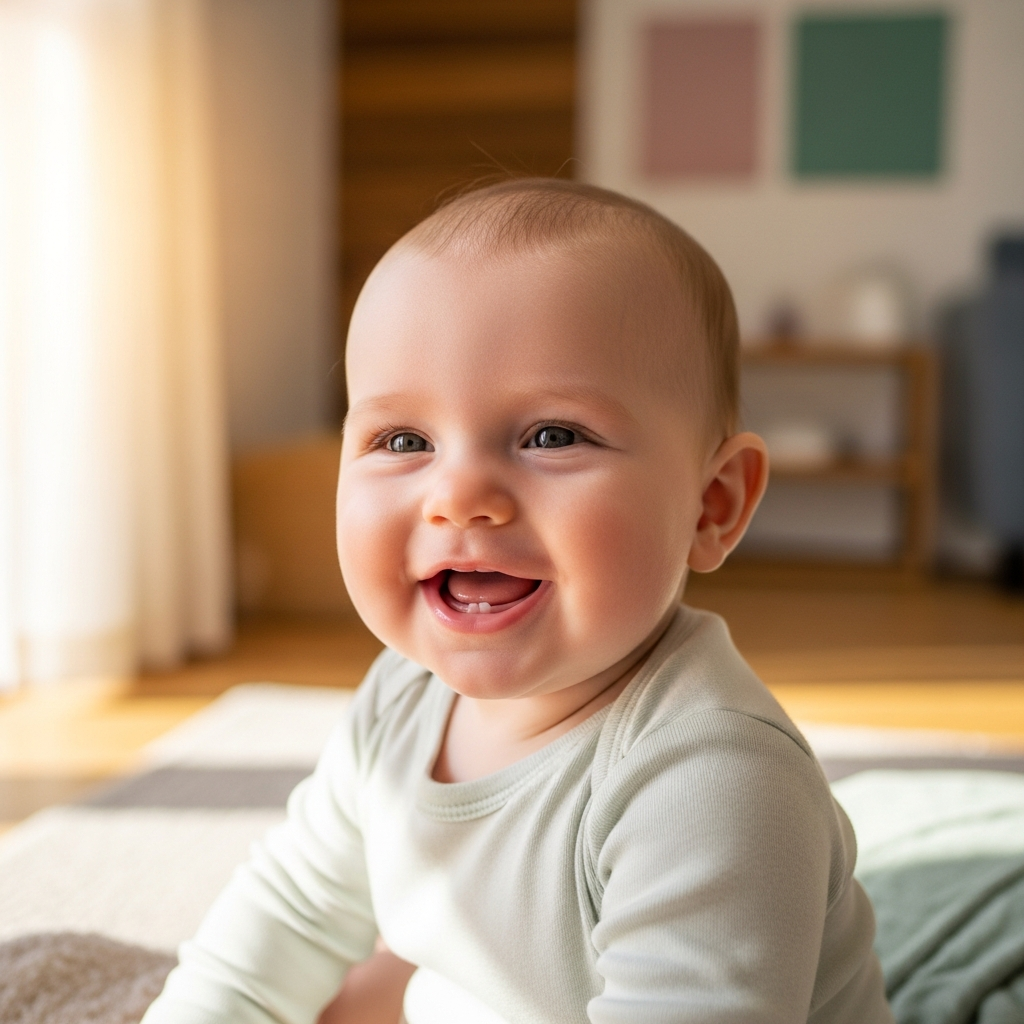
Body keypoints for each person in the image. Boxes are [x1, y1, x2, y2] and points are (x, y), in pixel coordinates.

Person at [142, 179, 892, 1024]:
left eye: (552, 436)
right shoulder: (401, 695)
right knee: (340, 992)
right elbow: (291, 911)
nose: (460, 496)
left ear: (710, 505)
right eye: (403, 440)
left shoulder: (711, 782)